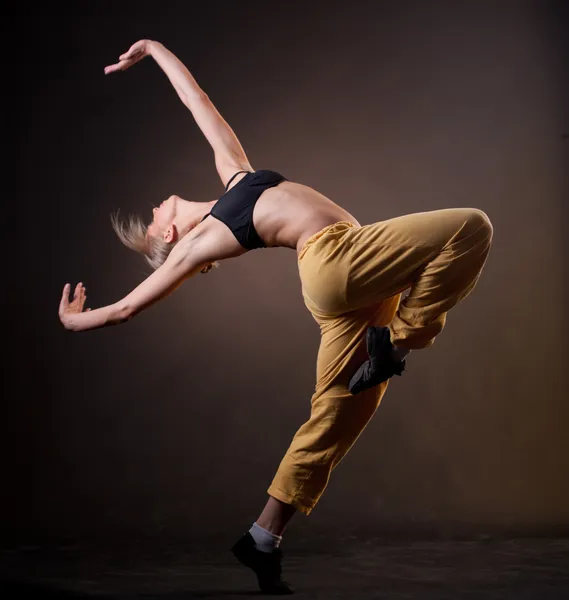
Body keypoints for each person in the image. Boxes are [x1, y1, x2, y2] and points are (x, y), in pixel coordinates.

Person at [58, 39, 493, 595]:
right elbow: (123, 309)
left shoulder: (235, 179)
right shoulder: (201, 243)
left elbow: (199, 104)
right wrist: (77, 321)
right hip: (335, 260)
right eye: (154, 220)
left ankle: (264, 538)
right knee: (471, 227)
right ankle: (398, 344)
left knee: (337, 414)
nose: (155, 206)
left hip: (348, 292)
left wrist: (153, 50)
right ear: (170, 234)